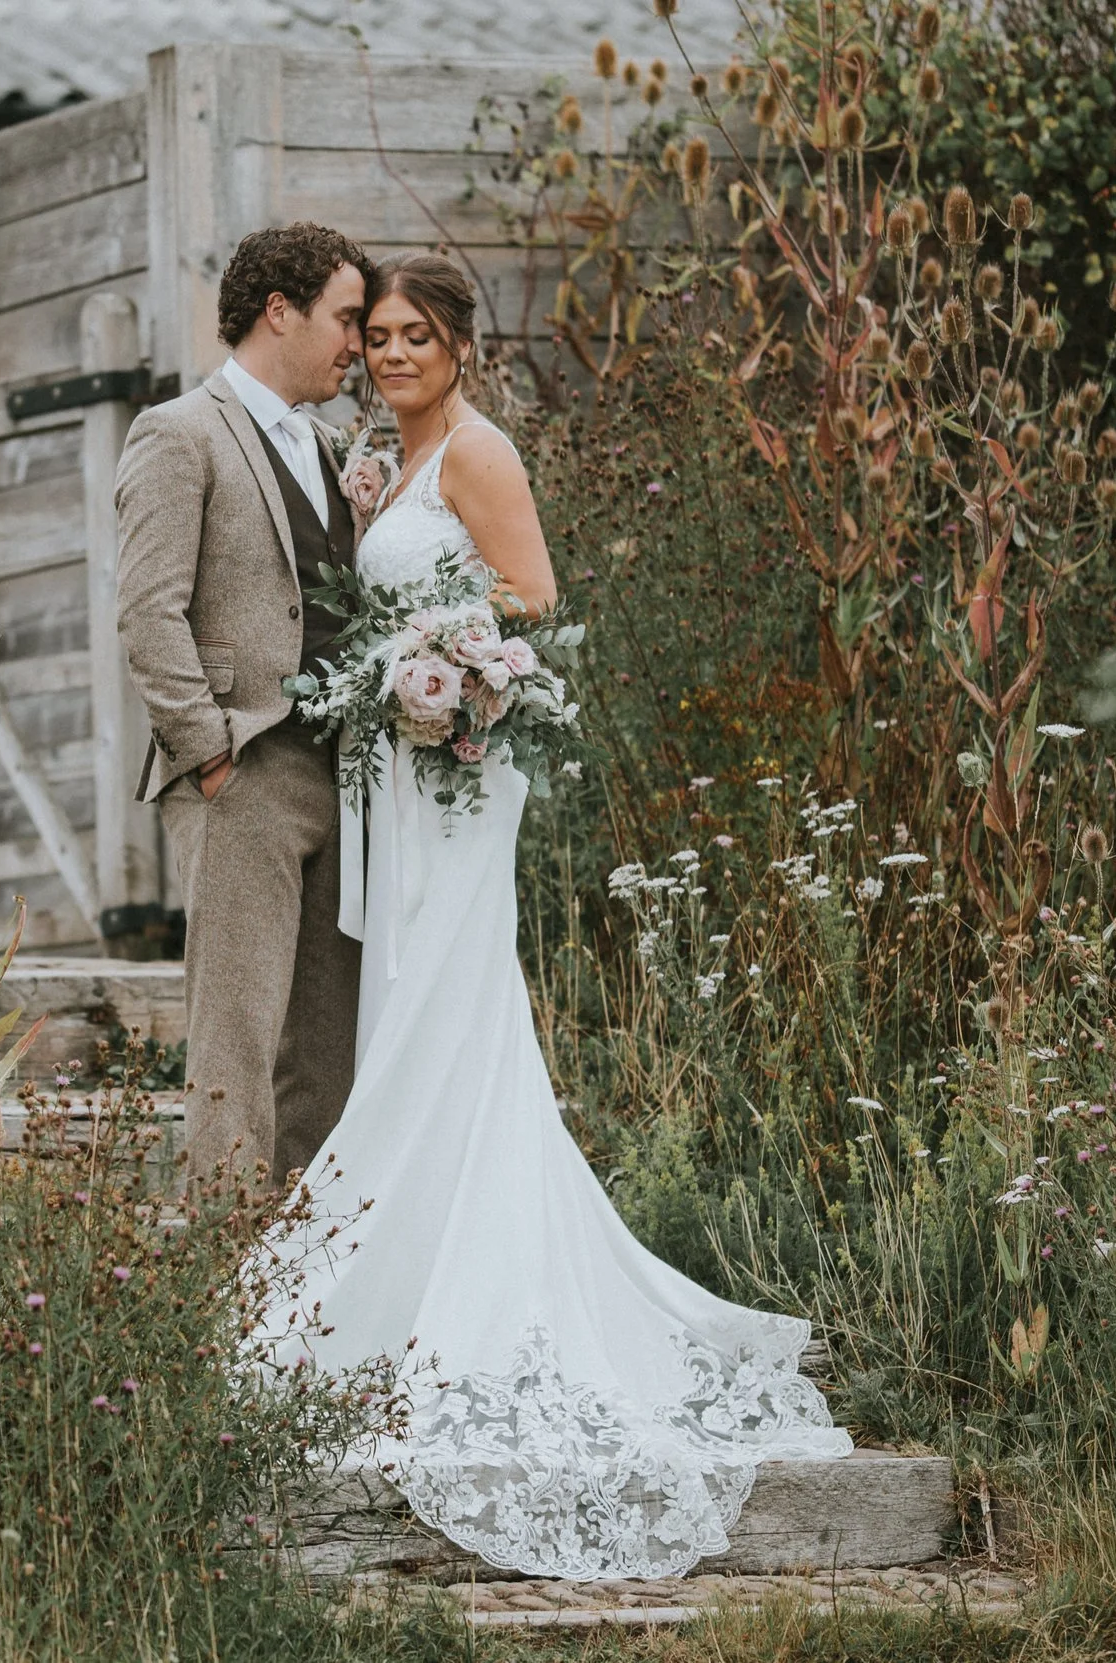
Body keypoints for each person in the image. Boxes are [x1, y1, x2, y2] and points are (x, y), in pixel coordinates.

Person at [243, 252, 855, 1582]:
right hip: (395, 778)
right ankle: (398, 1285)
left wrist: (435, 661)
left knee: (450, 1014)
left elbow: (535, 600)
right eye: (381, 334)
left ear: (462, 348)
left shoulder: (477, 455)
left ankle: (459, 1294)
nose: (394, 352)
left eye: (419, 336)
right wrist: (387, 644)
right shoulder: (382, 459)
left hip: (458, 774)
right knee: (408, 1004)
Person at [114, 222, 370, 1189]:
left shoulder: (338, 448)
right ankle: (226, 1291)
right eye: (345, 319)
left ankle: (307, 1282)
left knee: (324, 1043)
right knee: (236, 1037)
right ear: (279, 310)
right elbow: (148, 609)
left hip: (344, 776)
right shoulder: (178, 434)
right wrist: (209, 750)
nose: (359, 343)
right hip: (244, 773)